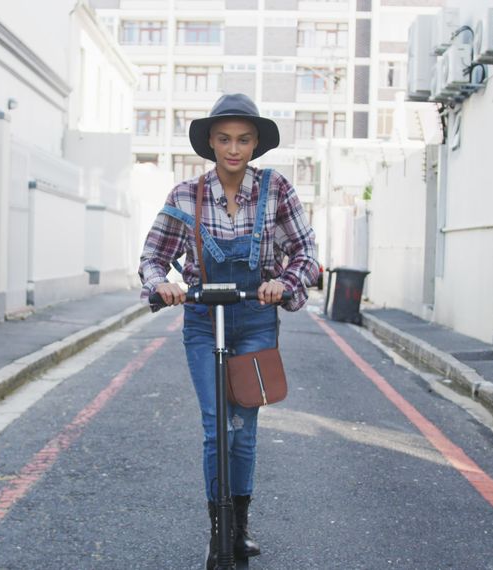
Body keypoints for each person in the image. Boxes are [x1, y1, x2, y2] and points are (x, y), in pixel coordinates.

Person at [138, 93, 319, 567]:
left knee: (244, 429)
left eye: (242, 139)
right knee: (216, 425)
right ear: (211, 143)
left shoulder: (276, 189)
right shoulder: (185, 196)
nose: (233, 148)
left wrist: (285, 282)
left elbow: (306, 254)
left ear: (256, 143)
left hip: (256, 318)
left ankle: (240, 528)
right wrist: (166, 286)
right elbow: (153, 258)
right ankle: (218, 528)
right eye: (224, 139)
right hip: (203, 320)